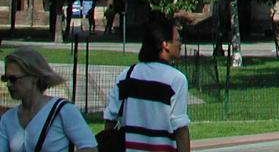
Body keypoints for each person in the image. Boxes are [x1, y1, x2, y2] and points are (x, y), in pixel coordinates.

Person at [102, 13, 192, 152]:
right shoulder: (176, 79)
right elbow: (180, 129)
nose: (180, 44)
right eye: (178, 40)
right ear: (165, 44)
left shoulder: (126, 76)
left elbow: (110, 119)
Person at [1, 47, 97, 152]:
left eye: (13, 79)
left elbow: (89, 148)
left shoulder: (63, 111)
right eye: (6, 79)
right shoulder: (7, 119)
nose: (9, 84)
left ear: (34, 78)